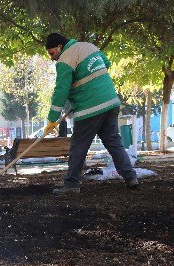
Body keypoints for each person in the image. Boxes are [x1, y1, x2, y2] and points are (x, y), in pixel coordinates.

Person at [43, 33, 137, 194]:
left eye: (52, 53)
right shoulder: (89, 46)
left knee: (78, 146)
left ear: (59, 47)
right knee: (114, 142)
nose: (52, 58)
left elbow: (61, 91)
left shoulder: (65, 60)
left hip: (89, 108)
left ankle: (71, 184)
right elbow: (106, 63)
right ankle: (130, 177)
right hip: (110, 102)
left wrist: (52, 119)